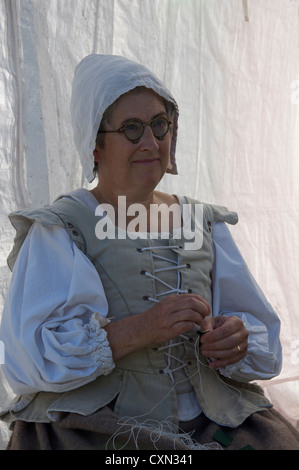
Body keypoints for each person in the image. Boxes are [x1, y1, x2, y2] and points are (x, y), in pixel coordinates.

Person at [0, 54, 298, 451]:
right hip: (98, 424)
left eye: (160, 125)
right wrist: (141, 330)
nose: (151, 142)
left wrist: (235, 339)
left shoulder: (200, 221)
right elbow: (28, 357)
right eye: (132, 128)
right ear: (95, 144)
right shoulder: (64, 227)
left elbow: (255, 329)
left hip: (211, 418)